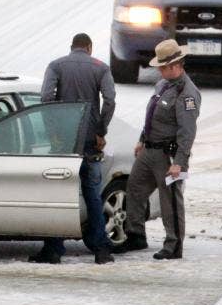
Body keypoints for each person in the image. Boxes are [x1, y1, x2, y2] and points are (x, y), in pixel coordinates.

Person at [29, 33, 117, 265]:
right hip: (89, 141)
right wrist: (101, 131)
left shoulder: (56, 65)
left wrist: (54, 131)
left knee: (58, 193)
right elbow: (109, 100)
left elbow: (46, 97)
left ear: (72, 47)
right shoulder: (101, 68)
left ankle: (54, 248)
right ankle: (101, 250)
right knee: (93, 195)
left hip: (63, 142)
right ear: (89, 48)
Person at [117, 39, 201, 260]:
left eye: (163, 67)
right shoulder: (162, 85)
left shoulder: (187, 93)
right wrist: (142, 139)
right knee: (134, 189)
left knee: (170, 201)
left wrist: (179, 162)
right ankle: (135, 234)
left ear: (175, 65)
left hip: (170, 155)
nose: (159, 71)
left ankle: (173, 245)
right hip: (150, 150)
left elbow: (187, 131)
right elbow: (152, 115)